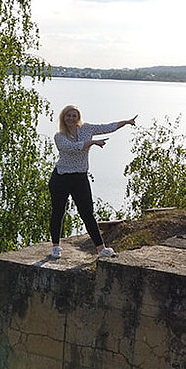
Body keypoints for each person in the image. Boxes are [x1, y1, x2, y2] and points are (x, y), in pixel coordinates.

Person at [48, 104, 137, 259]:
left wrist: (126, 122)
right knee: (58, 212)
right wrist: (93, 143)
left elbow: (107, 127)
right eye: (68, 115)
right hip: (61, 178)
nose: (71, 118)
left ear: (78, 118)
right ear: (63, 118)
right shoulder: (59, 136)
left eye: (74, 115)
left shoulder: (86, 129)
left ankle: (101, 249)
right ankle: (55, 247)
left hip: (80, 177)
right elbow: (73, 148)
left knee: (87, 213)